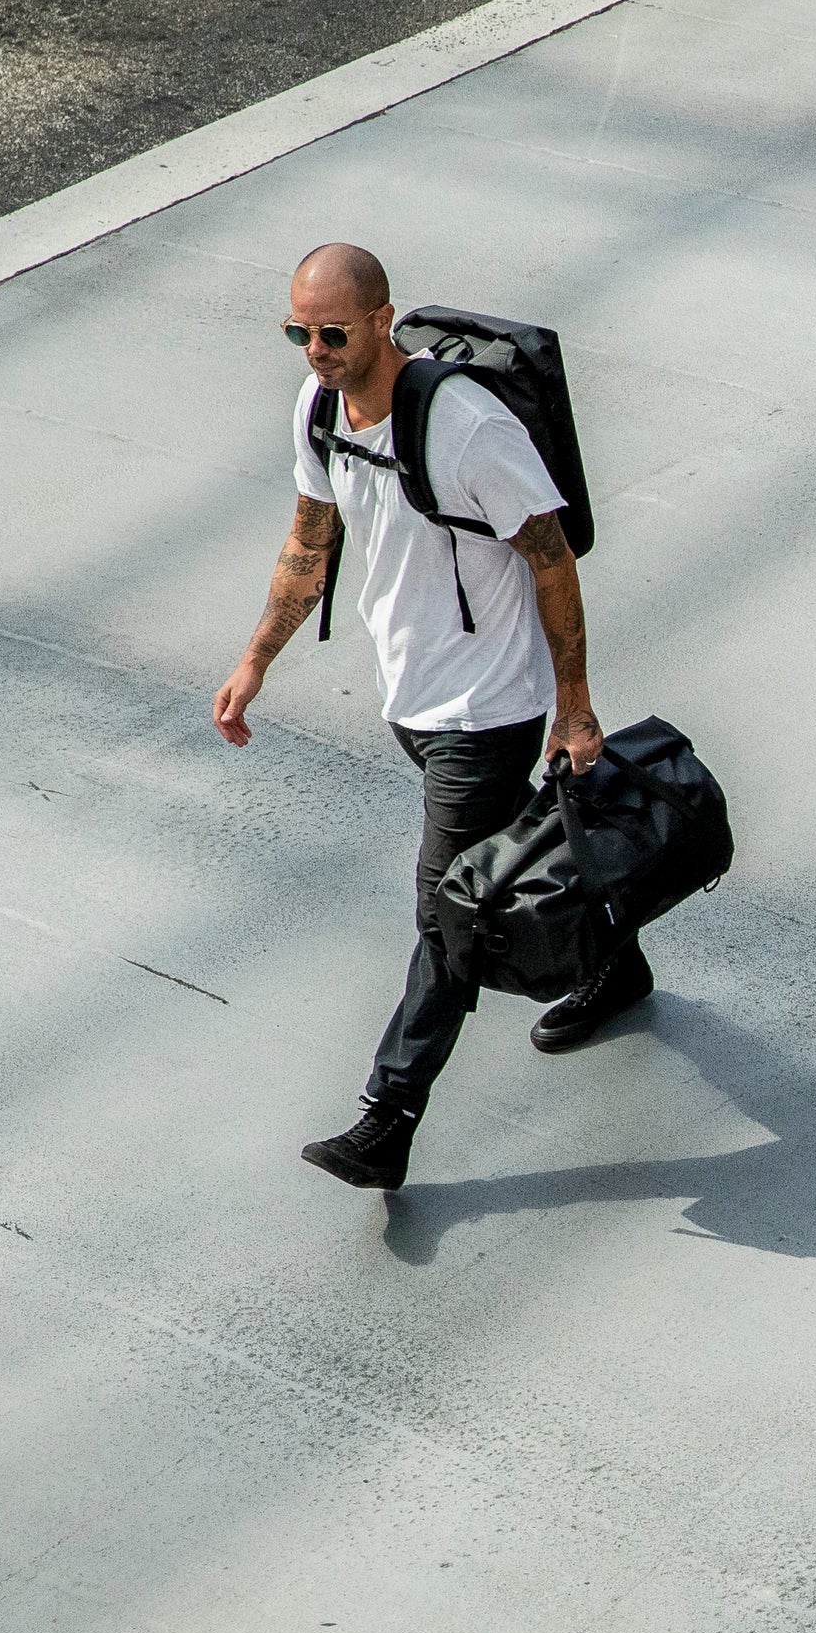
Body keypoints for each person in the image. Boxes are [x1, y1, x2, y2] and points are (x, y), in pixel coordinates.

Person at [210, 242, 649, 1190]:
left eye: (332, 332)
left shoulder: (467, 428)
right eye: (299, 332)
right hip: (409, 690)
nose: (315, 350)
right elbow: (310, 538)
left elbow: (551, 558)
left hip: (486, 708)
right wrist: (255, 661)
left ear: (380, 319)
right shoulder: (320, 407)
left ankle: (387, 1119)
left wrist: (573, 706)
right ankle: (616, 964)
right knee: (513, 856)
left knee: (449, 913)